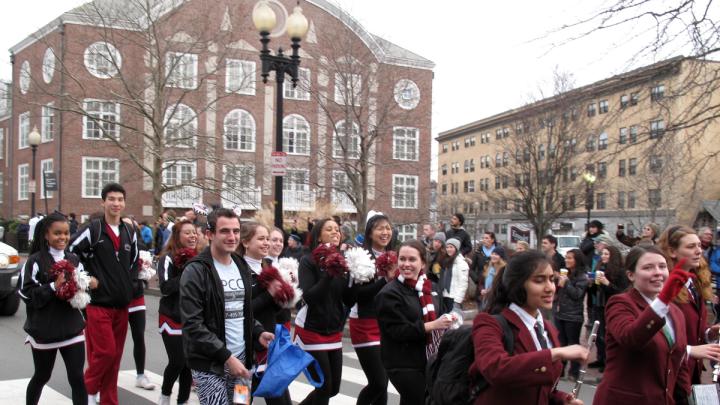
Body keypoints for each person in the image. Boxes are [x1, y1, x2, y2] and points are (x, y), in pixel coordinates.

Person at [179, 208, 274, 405]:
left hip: (242, 362)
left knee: (242, 403)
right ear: (209, 234)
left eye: (236, 231)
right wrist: (227, 357)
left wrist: (257, 332)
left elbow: (243, 311)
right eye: (224, 231)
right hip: (210, 364)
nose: (232, 237)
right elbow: (193, 325)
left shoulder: (241, 265)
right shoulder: (196, 271)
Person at [470, 251, 588, 405]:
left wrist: (561, 400)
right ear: (518, 285)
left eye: (552, 280)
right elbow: (496, 369)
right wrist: (556, 353)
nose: (550, 288)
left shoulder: (548, 328)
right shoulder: (489, 323)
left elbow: (541, 388)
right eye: (539, 281)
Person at [593, 245, 692, 404]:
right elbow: (630, 338)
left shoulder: (676, 312)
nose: (658, 272)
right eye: (648, 267)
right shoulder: (620, 303)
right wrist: (663, 300)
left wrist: (686, 397)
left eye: (662, 266)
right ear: (631, 275)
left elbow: (679, 362)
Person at [69, 183, 138, 405]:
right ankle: (86, 388)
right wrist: (85, 278)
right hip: (99, 304)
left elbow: (134, 262)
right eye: (111, 199)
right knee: (106, 353)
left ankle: (109, 400)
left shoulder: (129, 231)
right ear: (103, 202)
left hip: (122, 305)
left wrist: (131, 284)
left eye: (120, 199)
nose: (116, 203)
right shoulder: (93, 229)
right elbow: (70, 253)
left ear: (124, 203)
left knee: (115, 358)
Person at [19, 213, 87, 405]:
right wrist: (52, 287)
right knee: (42, 376)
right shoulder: (35, 261)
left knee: (77, 378)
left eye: (66, 233)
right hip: (45, 331)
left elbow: (81, 287)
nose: (63, 237)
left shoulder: (74, 259)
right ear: (46, 235)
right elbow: (26, 294)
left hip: (72, 328)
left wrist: (86, 285)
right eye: (57, 233)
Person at [376, 240, 453, 405]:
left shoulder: (431, 287)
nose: (406, 264)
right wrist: (433, 325)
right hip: (402, 363)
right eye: (402, 259)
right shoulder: (389, 293)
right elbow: (396, 331)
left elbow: (442, 313)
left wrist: (449, 320)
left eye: (412, 259)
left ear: (423, 263)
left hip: (429, 359)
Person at [294, 218, 355, 405]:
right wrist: (329, 273)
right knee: (324, 386)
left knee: (333, 389)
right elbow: (310, 297)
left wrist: (358, 279)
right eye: (329, 229)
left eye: (337, 229)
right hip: (311, 329)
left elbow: (348, 299)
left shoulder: (343, 261)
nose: (335, 232)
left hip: (333, 329)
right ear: (319, 236)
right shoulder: (308, 260)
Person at [659, 225, 720, 390]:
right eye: (691, 246)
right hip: (669, 374)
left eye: (699, 245)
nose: (698, 251)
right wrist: (691, 350)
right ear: (672, 252)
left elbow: (695, 327)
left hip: (691, 372)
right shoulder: (664, 285)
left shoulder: (694, 281)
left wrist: (710, 333)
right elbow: (658, 338)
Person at [240, 223, 293, 405]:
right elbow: (240, 310)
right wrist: (269, 294)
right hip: (244, 350)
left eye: (267, 239)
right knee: (242, 400)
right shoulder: (237, 270)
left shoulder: (268, 267)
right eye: (261, 239)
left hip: (268, 346)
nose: (267, 243)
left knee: (281, 400)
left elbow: (274, 311)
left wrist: (284, 296)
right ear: (246, 242)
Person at [351, 212, 393, 405]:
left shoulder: (394, 256)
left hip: (388, 323)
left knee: (383, 383)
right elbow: (359, 295)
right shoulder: (360, 256)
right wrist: (385, 278)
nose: (385, 232)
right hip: (364, 322)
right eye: (380, 228)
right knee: (378, 382)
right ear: (369, 233)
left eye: (388, 228)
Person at [157, 219, 197, 405]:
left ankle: (183, 400)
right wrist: (185, 273)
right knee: (177, 361)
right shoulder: (168, 258)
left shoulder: (199, 258)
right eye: (187, 232)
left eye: (194, 232)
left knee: (189, 364)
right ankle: (165, 395)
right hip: (171, 317)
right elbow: (165, 287)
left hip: (192, 319)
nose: (192, 236)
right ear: (177, 236)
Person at [587, 245, 628, 371]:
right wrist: (592, 284)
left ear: (613, 256)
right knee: (598, 334)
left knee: (607, 335)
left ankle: (609, 361)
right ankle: (601, 358)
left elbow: (621, 292)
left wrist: (607, 283)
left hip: (611, 306)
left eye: (606, 254)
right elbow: (595, 292)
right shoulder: (600, 268)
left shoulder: (620, 272)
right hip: (598, 305)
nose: (603, 256)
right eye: (602, 254)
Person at [552, 249, 589, 381]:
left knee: (572, 343)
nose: (566, 260)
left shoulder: (582, 277)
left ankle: (574, 372)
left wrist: (566, 283)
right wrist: (558, 282)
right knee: (561, 343)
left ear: (577, 260)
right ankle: (560, 371)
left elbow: (577, 295)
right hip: (561, 312)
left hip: (573, 315)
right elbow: (559, 293)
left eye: (570, 258)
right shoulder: (566, 274)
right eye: (566, 258)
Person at [470, 232, 506, 305]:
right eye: (483, 238)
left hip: (495, 292)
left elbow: (505, 264)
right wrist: (477, 280)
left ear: (492, 239)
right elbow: (471, 269)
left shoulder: (499, 250)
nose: (484, 240)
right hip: (481, 287)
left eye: (486, 238)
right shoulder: (478, 251)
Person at [441, 238, 470, 314]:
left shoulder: (461, 263)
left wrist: (458, 300)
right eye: (447, 247)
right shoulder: (447, 261)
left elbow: (463, 283)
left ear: (456, 248)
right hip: (445, 295)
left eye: (451, 247)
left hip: (454, 298)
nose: (449, 249)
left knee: (453, 322)